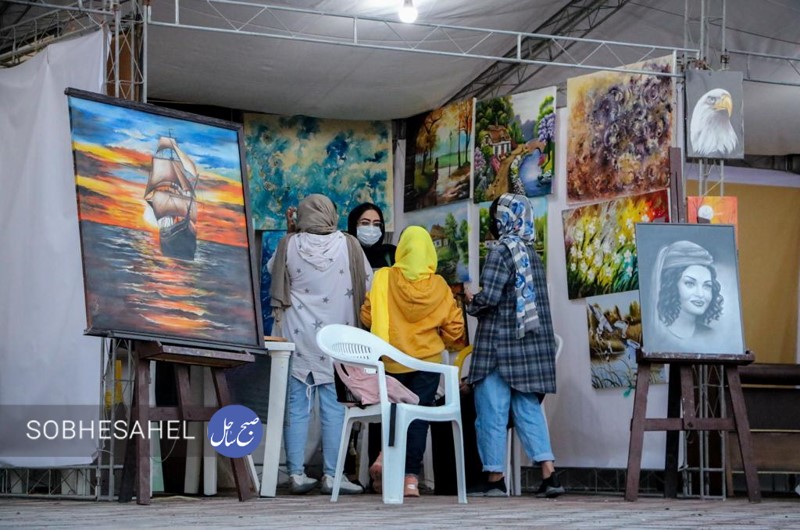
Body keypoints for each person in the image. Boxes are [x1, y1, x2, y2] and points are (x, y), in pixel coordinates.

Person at [269, 194, 372, 496]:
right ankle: (332, 475)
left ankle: (295, 473)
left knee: (296, 406)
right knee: (335, 407)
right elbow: (368, 282)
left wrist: (291, 233)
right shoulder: (349, 245)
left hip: (297, 334)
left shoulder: (289, 244)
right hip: (338, 338)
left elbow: (273, 272)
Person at [465, 193, 564, 498]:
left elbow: (490, 299)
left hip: (499, 348)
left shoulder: (500, 253)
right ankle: (549, 473)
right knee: (528, 408)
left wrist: (471, 299)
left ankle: (495, 478)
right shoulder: (532, 254)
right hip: (529, 350)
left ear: (501, 220)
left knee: (492, 411)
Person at [360, 225, 465, 497]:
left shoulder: (384, 278)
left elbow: (367, 317)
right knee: (418, 419)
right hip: (426, 364)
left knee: (391, 414)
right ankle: (410, 480)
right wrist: (439, 334)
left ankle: (385, 458)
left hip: (391, 361)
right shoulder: (439, 286)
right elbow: (456, 328)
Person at [651, 240, 723, 350]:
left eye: (707, 286)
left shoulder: (711, 335)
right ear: (671, 286)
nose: (700, 294)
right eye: (690, 284)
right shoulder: (657, 334)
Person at [347, 202, 396, 270]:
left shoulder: (391, 254)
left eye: (376, 224)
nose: (371, 229)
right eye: (365, 223)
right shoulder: (343, 254)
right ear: (353, 225)